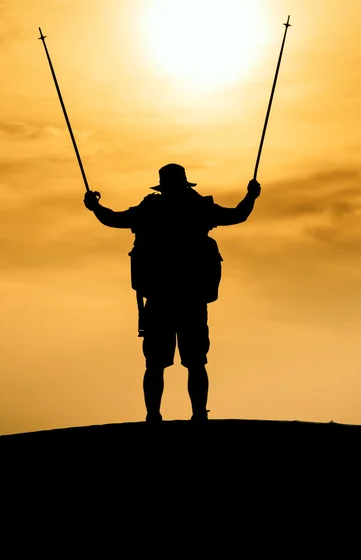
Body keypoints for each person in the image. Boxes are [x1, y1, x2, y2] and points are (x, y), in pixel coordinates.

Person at [84, 163, 261, 424]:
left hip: (159, 299)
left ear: (162, 186)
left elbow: (114, 219)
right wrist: (251, 196)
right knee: (195, 362)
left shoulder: (150, 210)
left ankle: (153, 417)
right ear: (185, 183)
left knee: (155, 364)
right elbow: (237, 215)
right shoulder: (198, 208)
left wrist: (95, 207)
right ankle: (199, 416)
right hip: (192, 299)